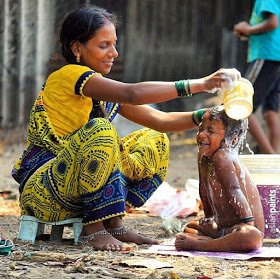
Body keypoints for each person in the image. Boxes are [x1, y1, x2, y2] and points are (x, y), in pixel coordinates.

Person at [12, 5, 237, 251]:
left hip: (75, 195)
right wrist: (202, 84)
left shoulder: (102, 91)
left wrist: (208, 115)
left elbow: (160, 120)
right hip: (46, 192)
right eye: (103, 45)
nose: (114, 53)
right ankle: (93, 229)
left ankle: (113, 222)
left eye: (114, 44)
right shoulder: (67, 76)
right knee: (101, 131)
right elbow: (132, 93)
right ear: (77, 48)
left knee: (155, 139)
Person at [175, 107, 264, 253]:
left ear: (232, 139)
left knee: (250, 236)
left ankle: (200, 245)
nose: (202, 135)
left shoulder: (223, 156)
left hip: (245, 227)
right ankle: (218, 241)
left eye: (210, 131)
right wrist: (209, 219)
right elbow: (203, 189)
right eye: (201, 129)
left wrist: (247, 222)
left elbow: (234, 191)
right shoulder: (203, 155)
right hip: (223, 229)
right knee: (191, 226)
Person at [233, 0, 280, 154]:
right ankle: (275, 159)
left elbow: (273, 23)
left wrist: (249, 29)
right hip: (276, 56)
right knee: (270, 111)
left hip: (266, 55)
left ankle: (271, 158)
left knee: (242, 105)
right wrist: (248, 32)